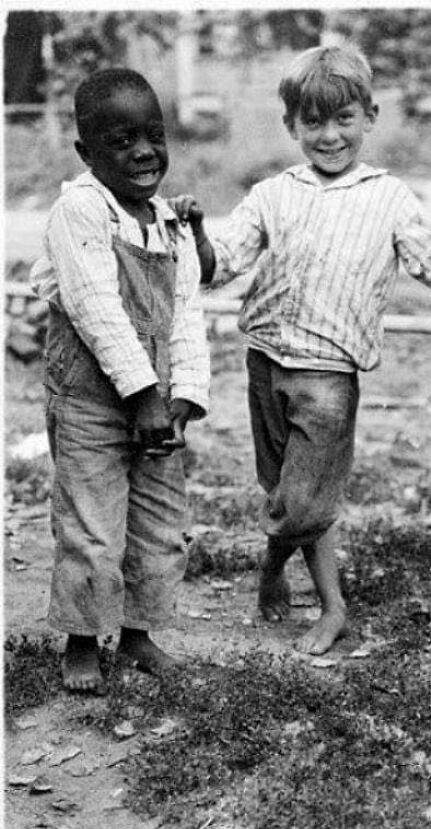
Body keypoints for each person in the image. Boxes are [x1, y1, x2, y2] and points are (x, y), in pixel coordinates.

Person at [173, 45, 431, 655]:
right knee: (281, 489)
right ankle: (272, 572)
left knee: (305, 502)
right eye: (314, 122)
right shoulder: (273, 194)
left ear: (370, 116)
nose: (330, 135)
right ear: (292, 125)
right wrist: (193, 229)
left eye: (344, 119)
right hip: (265, 359)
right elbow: (219, 265)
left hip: (329, 376)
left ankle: (332, 608)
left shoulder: (391, 198)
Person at [30, 69, 210, 692]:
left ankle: (138, 633)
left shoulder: (167, 221)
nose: (143, 152)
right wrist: (141, 395)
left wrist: (183, 395)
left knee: (159, 524)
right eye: (121, 140)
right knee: (92, 525)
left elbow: (185, 311)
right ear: (86, 153)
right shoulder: (79, 210)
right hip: (92, 404)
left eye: (154, 135)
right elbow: (94, 307)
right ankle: (83, 638)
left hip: (156, 407)